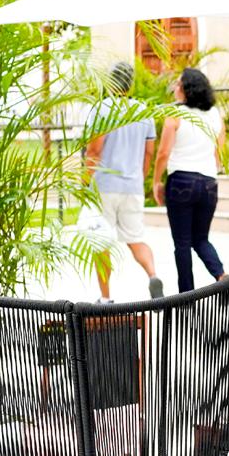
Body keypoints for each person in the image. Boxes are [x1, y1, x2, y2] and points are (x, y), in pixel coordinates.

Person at [83, 61, 163, 299]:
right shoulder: (144, 112)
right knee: (136, 239)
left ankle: (106, 298)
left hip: (104, 186)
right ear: (130, 84)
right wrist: (141, 177)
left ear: (110, 82)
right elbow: (149, 153)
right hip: (132, 186)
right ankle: (152, 275)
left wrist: (85, 181)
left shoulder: (101, 110)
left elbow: (94, 150)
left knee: (102, 243)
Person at [152, 67, 226, 294]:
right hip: (208, 184)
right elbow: (219, 155)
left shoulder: (176, 114)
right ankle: (222, 277)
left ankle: (187, 296)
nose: (175, 87)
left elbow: (163, 153)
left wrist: (156, 182)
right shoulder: (215, 115)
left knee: (182, 244)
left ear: (187, 90)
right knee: (201, 239)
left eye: (178, 84)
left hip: (182, 182)